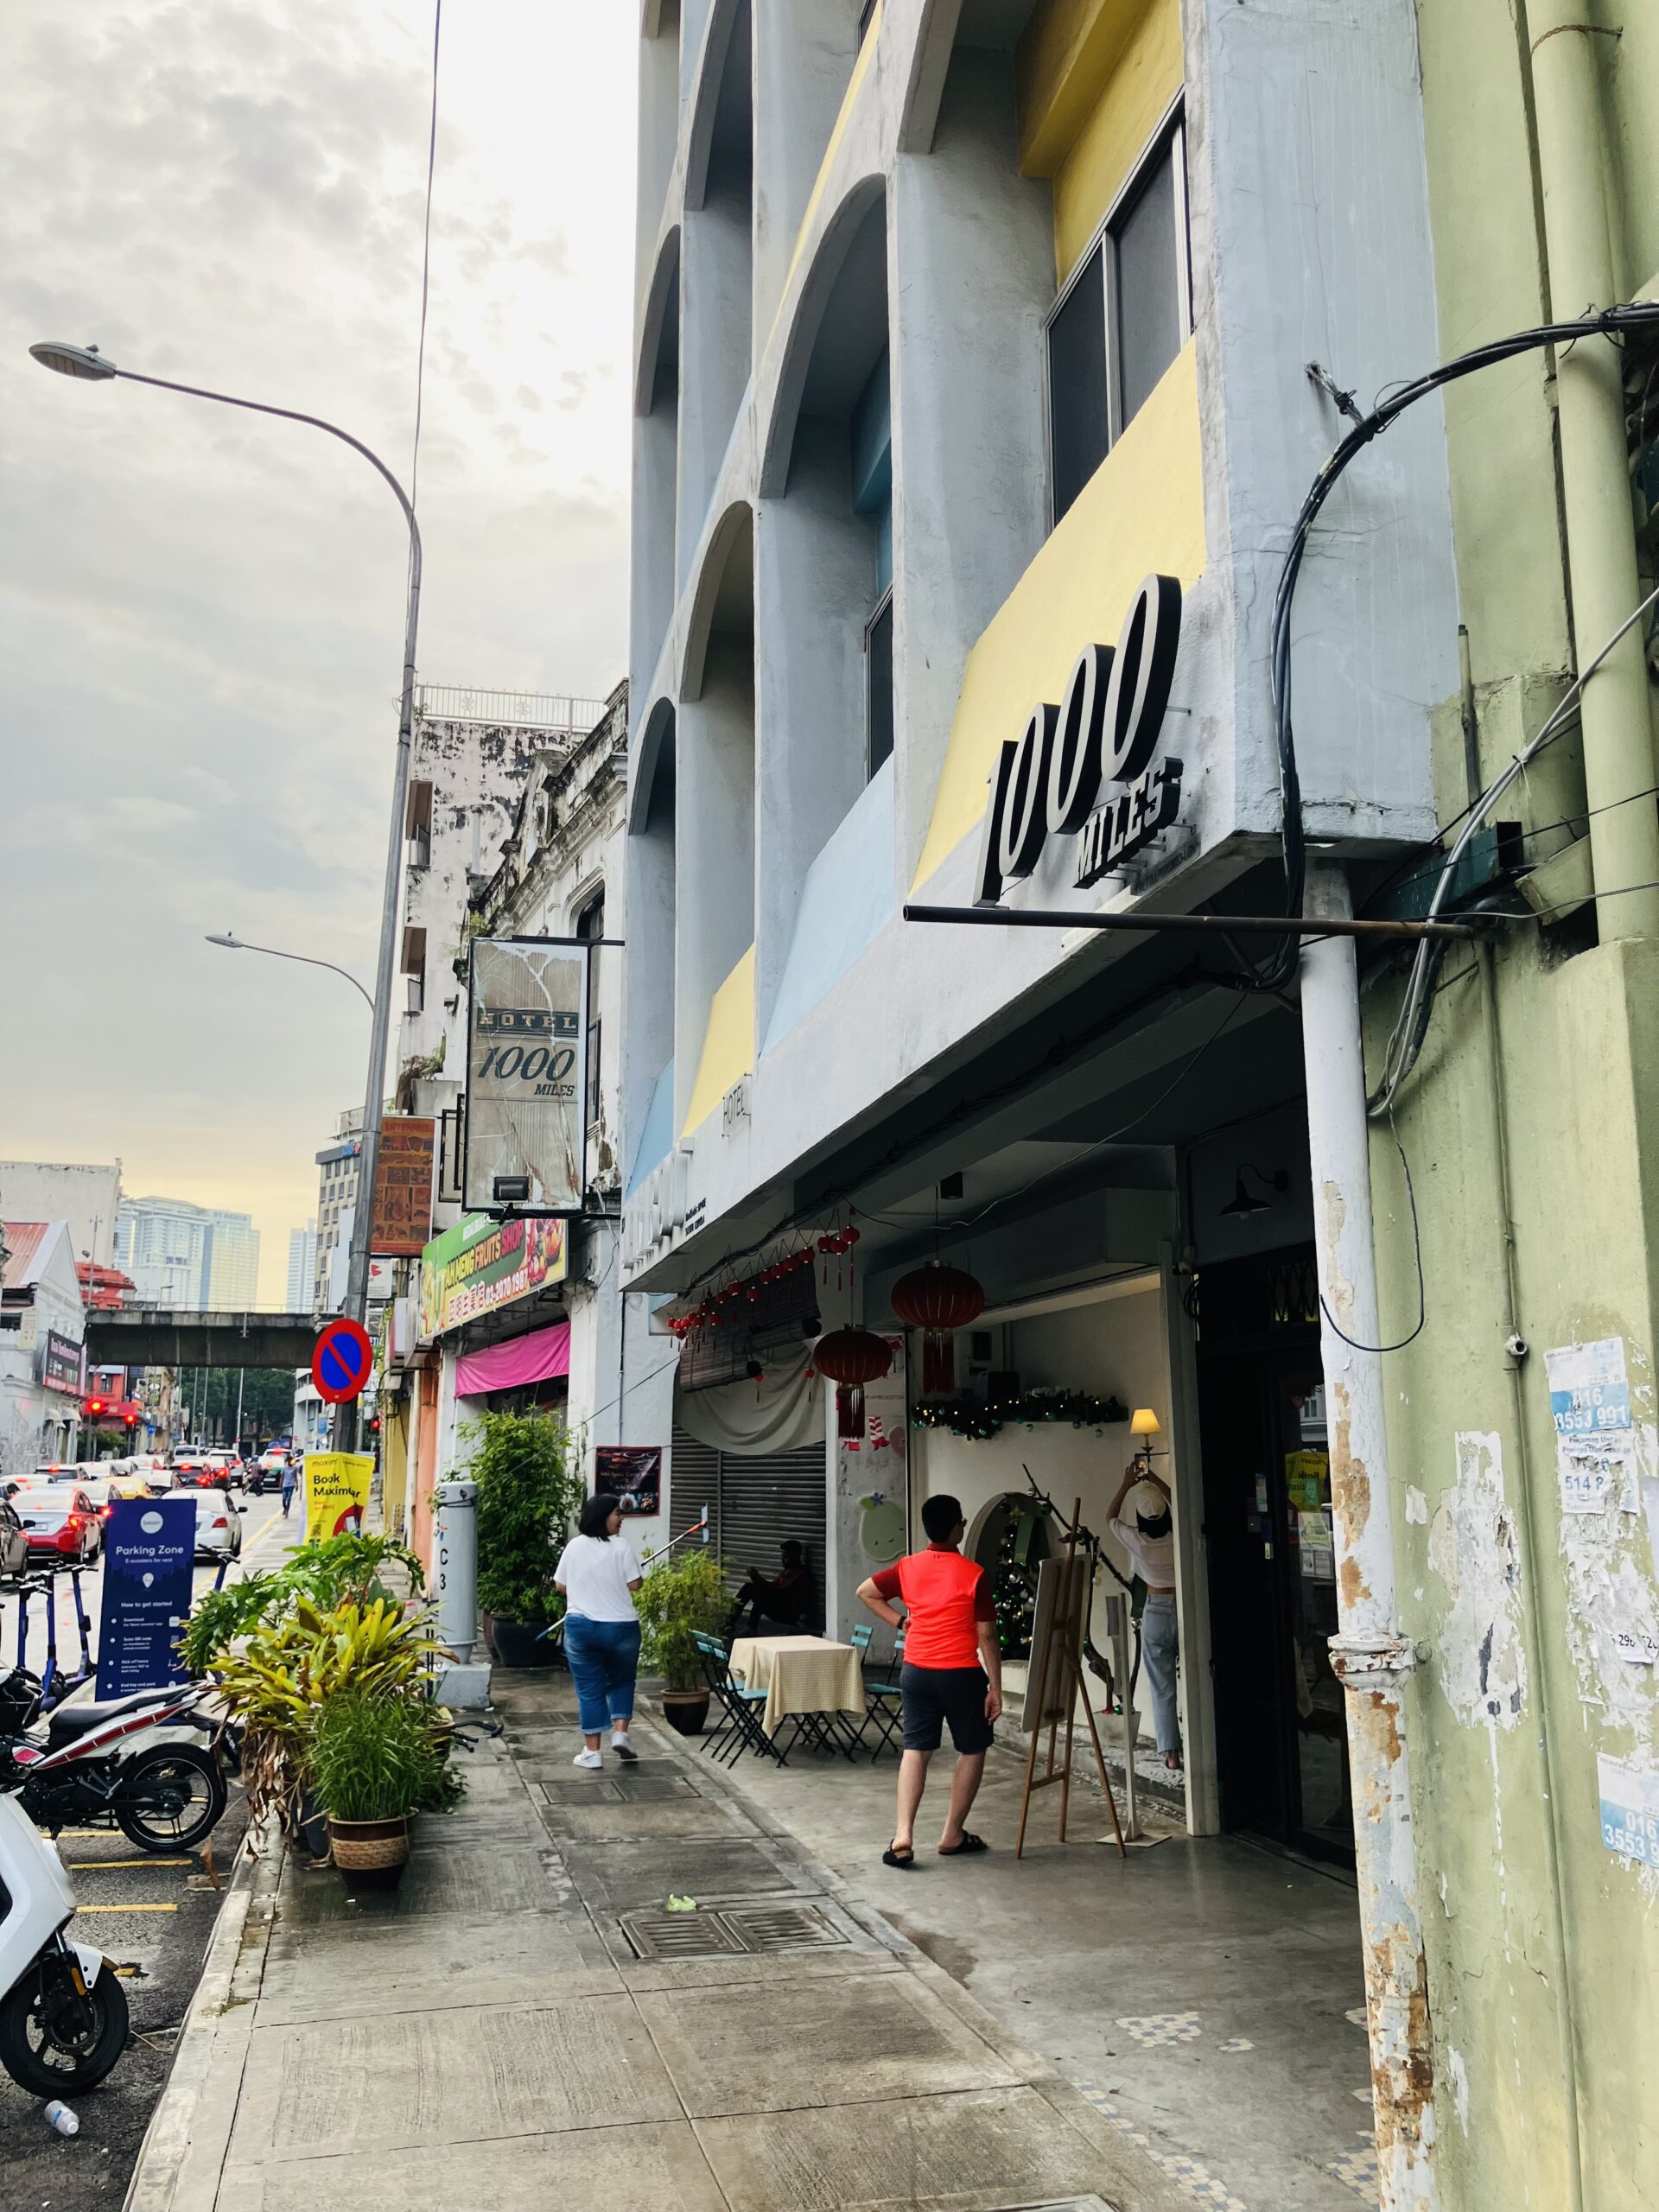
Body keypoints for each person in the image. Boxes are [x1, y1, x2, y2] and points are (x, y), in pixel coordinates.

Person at [856, 1492, 1002, 1869]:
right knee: (972, 1748)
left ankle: (903, 1835)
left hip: (916, 1671)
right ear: (956, 1528)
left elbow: (866, 1592)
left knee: (915, 1749)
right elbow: (987, 1635)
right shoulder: (975, 1575)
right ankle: (952, 1834)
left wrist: (901, 1621)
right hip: (961, 1674)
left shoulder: (907, 1567)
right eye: (963, 1523)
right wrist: (996, 1688)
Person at [553, 1492, 644, 1769]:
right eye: (617, 1513)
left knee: (590, 1690)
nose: (622, 1518)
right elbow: (636, 1585)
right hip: (621, 1628)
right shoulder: (622, 1547)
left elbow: (560, 1585)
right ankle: (620, 1734)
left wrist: (585, 1587)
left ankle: (592, 1754)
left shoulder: (574, 1547)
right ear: (603, 1517)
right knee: (622, 1680)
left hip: (581, 1628)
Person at [1107, 1460, 1181, 1770]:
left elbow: (1110, 1516)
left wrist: (1126, 1484)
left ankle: (1171, 1754)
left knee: (1162, 1686)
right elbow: (1179, 1504)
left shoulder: (1136, 1540)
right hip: (1184, 1609)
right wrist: (1157, 1480)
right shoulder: (1177, 1535)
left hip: (1155, 1611)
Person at [729, 1540, 814, 1638]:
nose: (783, 1560)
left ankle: (751, 1628)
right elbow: (773, 1586)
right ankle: (729, 1623)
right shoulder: (786, 1572)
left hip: (786, 1613)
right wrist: (756, 1579)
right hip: (777, 1606)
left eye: (786, 1557)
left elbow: (781, 1591)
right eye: (782, 1557)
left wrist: (759, 1580)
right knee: (750, 1588)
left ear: (796, 1556)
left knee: (761, 1593)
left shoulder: (801, 1573)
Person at [279, 1451, 298, 1520]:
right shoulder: (284, 1468)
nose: (290, 1462)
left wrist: (297, 1485)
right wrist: (280, 1485)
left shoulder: (295, 1468)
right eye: (289, 1461)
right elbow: (282, 1477)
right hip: (285, 1484)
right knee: (284, 1499)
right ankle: (285, 1508)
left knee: (289, 1499)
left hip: (291, 1485)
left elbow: (296, 1476)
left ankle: (287, 1512)